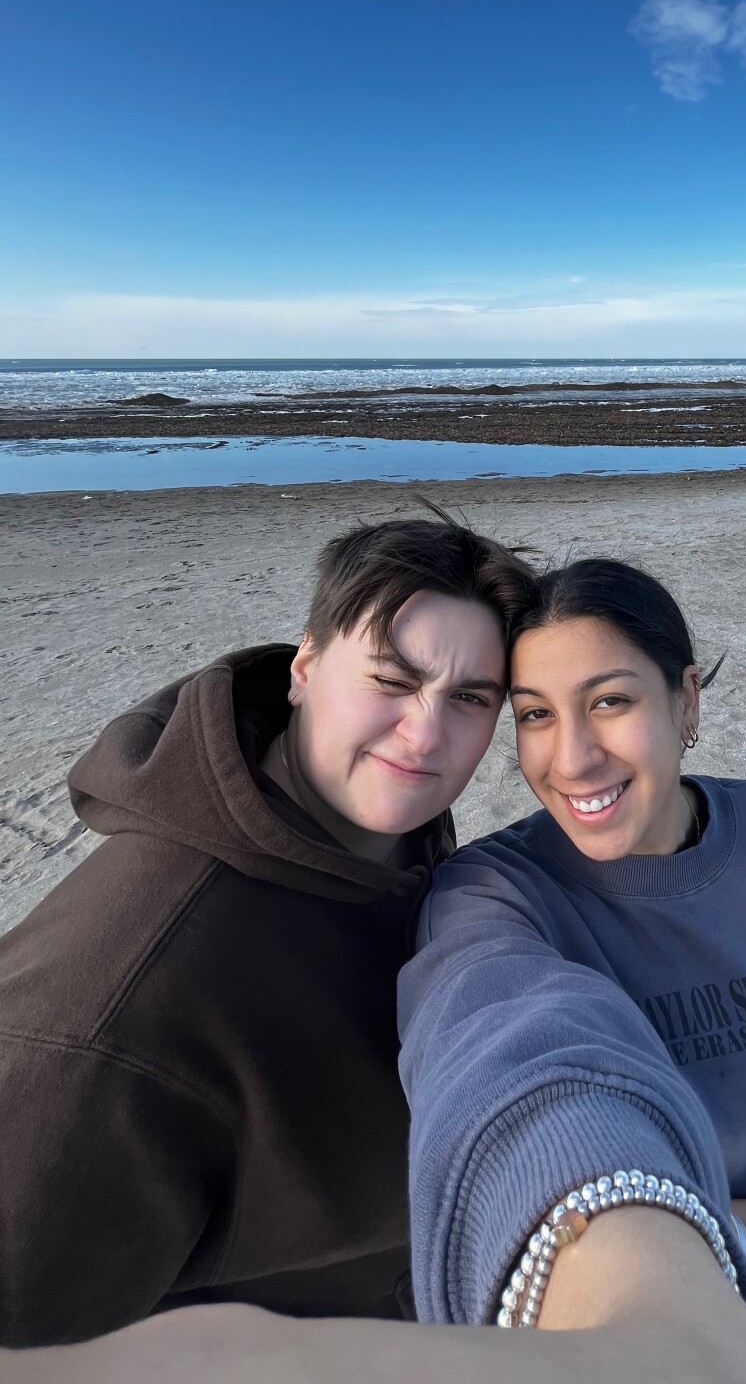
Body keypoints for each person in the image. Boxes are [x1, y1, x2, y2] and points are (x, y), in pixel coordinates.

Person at [396, 558, 746, 1382]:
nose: (572, 758)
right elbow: (498, 1046)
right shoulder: (493, 895)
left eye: (610, 701)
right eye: (535, 715)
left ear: (687, 700)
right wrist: (610, 1275)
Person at [0, 509, 536, 1346]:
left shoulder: (385, 832)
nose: (427, 733)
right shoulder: (111, 1022)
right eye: (391, 681)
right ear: (304, 669)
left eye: (470, 699)